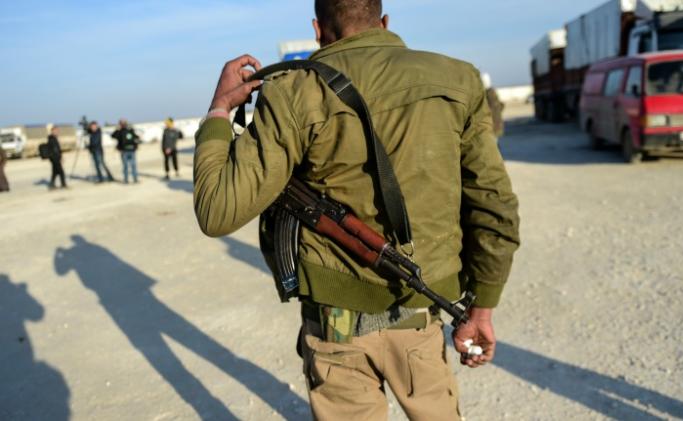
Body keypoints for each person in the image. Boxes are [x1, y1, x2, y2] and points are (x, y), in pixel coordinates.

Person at [192, 1, 520, 419]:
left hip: (335, 332)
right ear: (383, 22)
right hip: (419, 316)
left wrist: (220, 109)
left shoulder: (291, 91)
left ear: (317, 29)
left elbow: (216, 209)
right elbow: (494, 205)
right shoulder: (457, 78)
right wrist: (482, 309)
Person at [111, 119, 140, 184]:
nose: (123, 124)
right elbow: (113, 136)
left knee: (133, 165)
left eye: (124, 123)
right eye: (122, 123)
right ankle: (126, 180)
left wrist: (136, 145)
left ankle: (135, 179)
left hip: (132, 150)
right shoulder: (119, 131)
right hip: (124, 151)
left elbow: (136, 137)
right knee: (125, 166)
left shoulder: (130, 130)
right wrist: (117, 129)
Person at [482, 73, 506, 139]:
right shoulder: (492, 92)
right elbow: (501, 106)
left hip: (493, 127)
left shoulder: (489, 93)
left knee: (494, 145)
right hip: (496, 126)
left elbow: (490, 109)